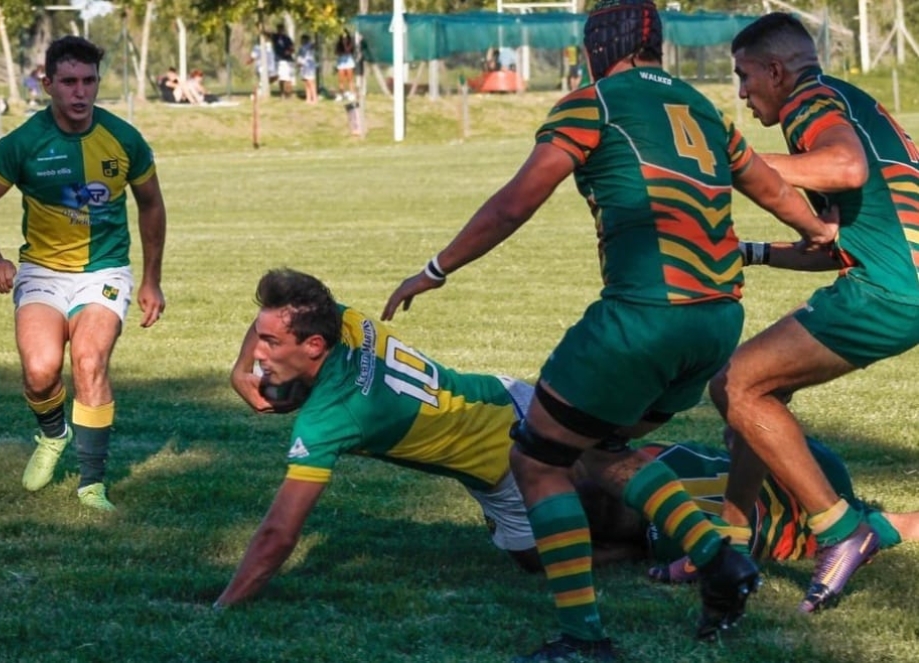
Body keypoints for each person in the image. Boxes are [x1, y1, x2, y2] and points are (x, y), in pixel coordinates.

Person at [382, 1, 835, 659]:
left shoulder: (590, 102)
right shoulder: (700, 106)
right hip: (716, 319)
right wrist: (818, 231)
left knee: (537, 457)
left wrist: (435, 267)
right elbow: (766, 186)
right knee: (600, 447)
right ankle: (719, 557)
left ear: (599, 45)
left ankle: (582, 636)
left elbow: (514, 202)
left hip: (645, 315)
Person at [707, 11, 919, 616]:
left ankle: (842, 527)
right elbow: (835, 238)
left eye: (745, 76)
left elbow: (845, 169)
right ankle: (729, 544)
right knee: (747, 392)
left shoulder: (809, 103)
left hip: (890, 289)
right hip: (896, 280)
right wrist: (752, 253)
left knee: (739, 384)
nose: (743, 92)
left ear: (777, 70)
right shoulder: (848, 102)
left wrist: (735, 165)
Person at [214, 268, 545, 610]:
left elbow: (279, 533)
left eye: (271, 343)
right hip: (498, 408)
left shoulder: (330, 418)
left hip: (513, 440)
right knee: (533, 560)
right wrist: (240, 371)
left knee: (575, 523)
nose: (258, 353)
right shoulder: (338, 318)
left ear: (313, 346)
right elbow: (269, 320)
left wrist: (222, 607)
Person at [0, 35, 167, 511]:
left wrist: (151, 278)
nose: (80, 92)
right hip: (42, 272)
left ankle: (92, 484)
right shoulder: (24, 143)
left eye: (88, 81)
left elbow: (150, 204)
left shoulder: (124, 138)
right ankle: (53, 434)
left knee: (89, 360)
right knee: (40, 370)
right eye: (68, 82)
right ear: (47, 84)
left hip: (105, 269)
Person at [571, 431, 919, 580]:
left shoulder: (668, 545)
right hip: (804, 469)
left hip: (809, 533)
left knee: (899, 525)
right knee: (744, 407)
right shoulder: (649, 457)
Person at [266, 23, 295, 99]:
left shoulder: (286, 38)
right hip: (279, 59)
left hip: (287, 60)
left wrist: (288, 52)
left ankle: (289, 94)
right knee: (281, 78)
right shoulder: (275, 37)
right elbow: (267, 34)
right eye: (279, 29)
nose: (280, 30)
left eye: (281, 29)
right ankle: (282, 93)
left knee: (287, 78)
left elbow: (292, 48)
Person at [335, 28, 356, 101]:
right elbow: (337, 52)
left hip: (349, 62)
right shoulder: (339, 44)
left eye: (346, 37)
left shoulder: (350, 43)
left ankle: (352, 94)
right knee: (341, 80)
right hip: (341, 62)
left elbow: (348, 51)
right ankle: (341, 94)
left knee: (350, 79)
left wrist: (345, 44)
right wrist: (341, 45)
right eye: (343, 37)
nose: (344, 38)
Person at [296, 35, 318, 104]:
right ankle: (308, 98)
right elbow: (299, 56)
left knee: (311, 82)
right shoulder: (301, 47)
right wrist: (298, 63)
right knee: (306, 83)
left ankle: (314, 98)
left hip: (309, 67)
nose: (302, 41)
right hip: (303, 67)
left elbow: (314, 45)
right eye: (302, 39)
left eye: (304, 39)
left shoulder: (309, 46)